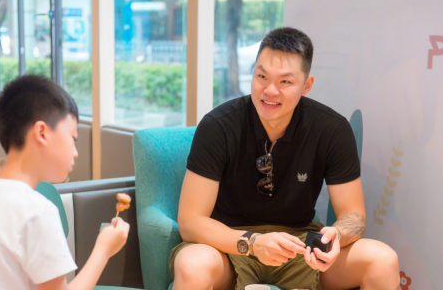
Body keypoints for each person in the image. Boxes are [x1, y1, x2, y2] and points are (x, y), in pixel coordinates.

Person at [171, 27, 400, 290]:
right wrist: (254, 243)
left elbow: (354, 214)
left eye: (285, 82)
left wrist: (337, 234)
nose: (269, 90)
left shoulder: (332, 129)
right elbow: (190, 221)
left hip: (301, 246)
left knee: (383, 260)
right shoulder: (218, 125)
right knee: (191, 264)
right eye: (261, 76)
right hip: (231, 244)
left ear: (307, 85)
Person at [0, 75, 130, 290]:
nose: (75, 153)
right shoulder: (37, 211)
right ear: (42, 132)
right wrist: (104, 249)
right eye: (73, 138)